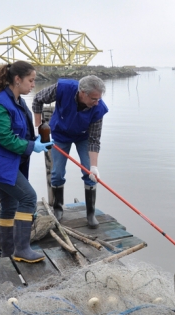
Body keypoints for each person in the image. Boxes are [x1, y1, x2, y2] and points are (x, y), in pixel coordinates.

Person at [0, 61, 50, 263]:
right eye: (31, 80)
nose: (33, 85)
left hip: (8, 163)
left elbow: (23, 132)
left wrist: (37, 141)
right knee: (28, 198)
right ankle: (22, 249)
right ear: (17, 79)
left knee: (10, 205)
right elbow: (5, 138)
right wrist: (32, 147)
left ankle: (8, 250)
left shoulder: (17, 101)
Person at [32, 75, 108, 228]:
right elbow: (37, 99)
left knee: (89, 174)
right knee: (57, 173)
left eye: (99, 99)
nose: (97, 102)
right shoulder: (62, 88)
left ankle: (90, 213)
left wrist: (94, 167)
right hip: (60, 134)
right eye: (93, 98)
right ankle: (58, 208)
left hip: (83, 136)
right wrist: (38, 126)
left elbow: (94, 140)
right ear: (82, 92)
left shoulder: (98, 108)